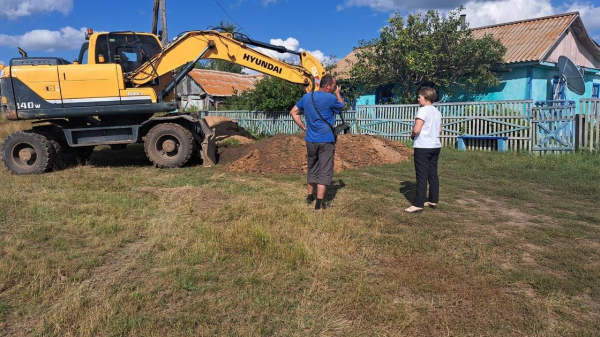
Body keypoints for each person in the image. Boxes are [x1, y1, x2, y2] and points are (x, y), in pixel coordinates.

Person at [290, 74, 345, 210]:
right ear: (327, 86)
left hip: (310, 140)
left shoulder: (307, 97)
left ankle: (310, 197)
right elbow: (342, 107)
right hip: (326, 140)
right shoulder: (331, 98)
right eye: (333, 86)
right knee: (324, 170)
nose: (333, 88)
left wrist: (304, 127)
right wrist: (338, 94)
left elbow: (293, 112)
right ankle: (319, 204)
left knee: (312, 167)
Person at [405, 87, 442, 213]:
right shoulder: (437, 112)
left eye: (419, 97)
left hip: (423, 146)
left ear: (426, 98)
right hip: (435, 146)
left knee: (421, 176)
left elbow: (416, 130)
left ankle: (418, 204)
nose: (418, 98)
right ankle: (433, 200)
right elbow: (440, 130)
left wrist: (412, 135)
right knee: (433, 174)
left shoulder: (422, 111)